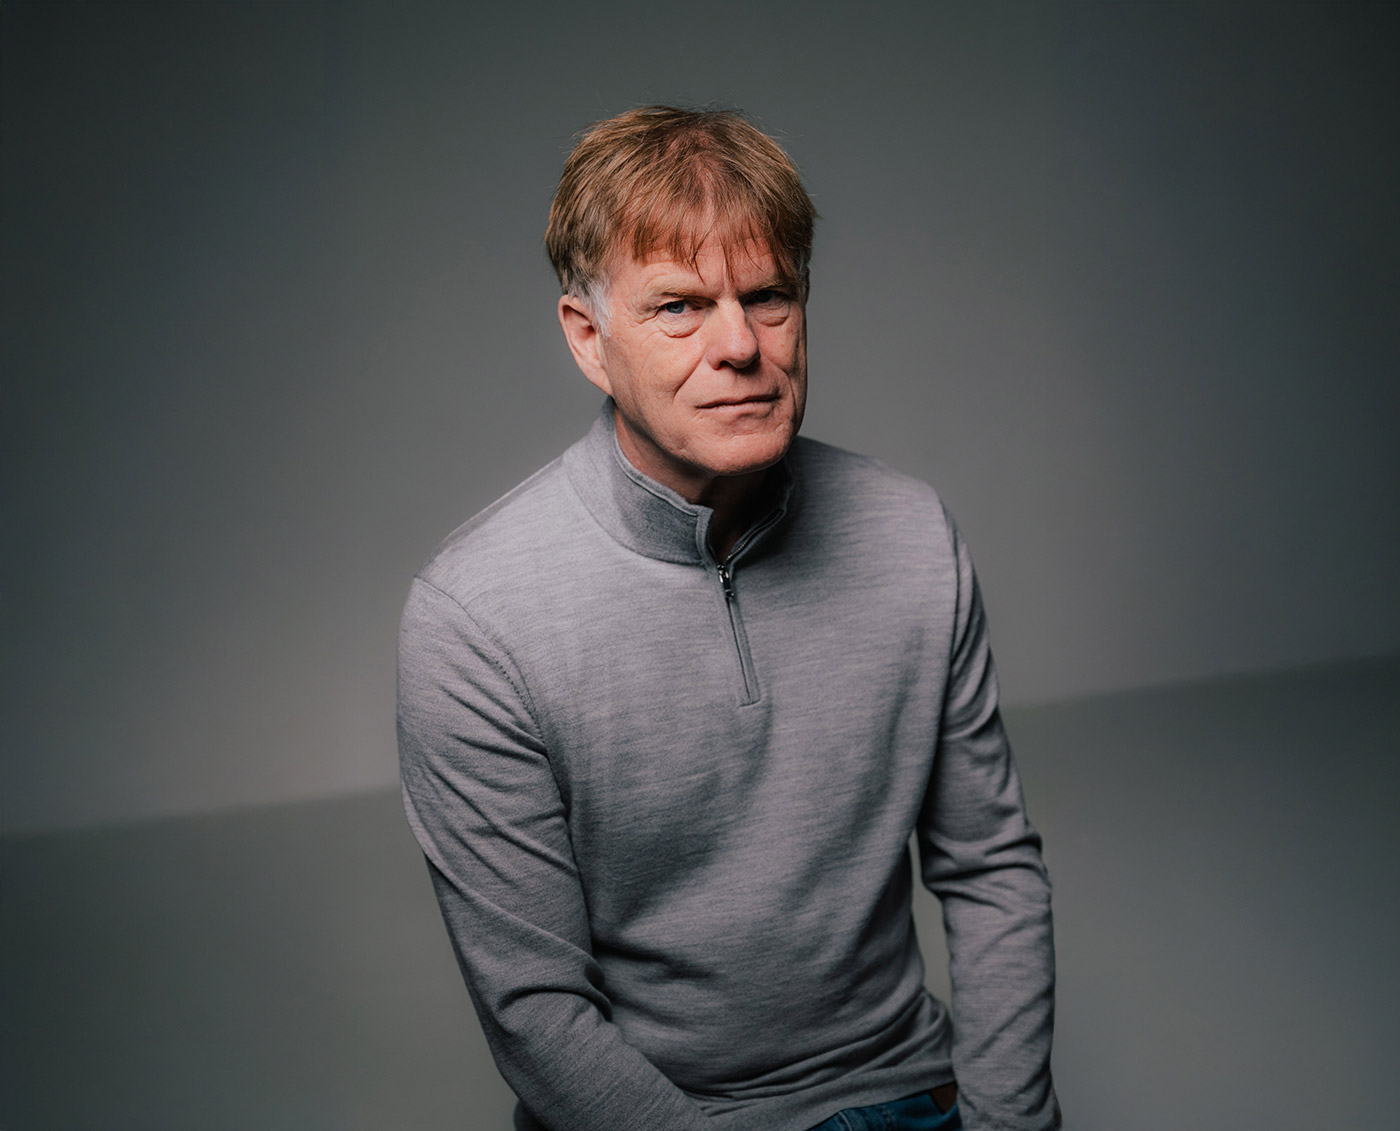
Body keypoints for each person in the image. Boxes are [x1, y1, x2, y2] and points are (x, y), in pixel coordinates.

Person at [397, 106, 1060, 1131]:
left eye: (768, 296)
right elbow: (535, 1014)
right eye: (680, 307)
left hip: (900, 1093)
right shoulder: (474, 620)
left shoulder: (910, 535)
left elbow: (991, 870)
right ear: (587, 338)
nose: (741, 345)